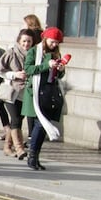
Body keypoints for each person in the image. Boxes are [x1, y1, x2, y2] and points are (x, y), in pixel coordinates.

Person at [21, 27, 67, 170]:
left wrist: (60, 70)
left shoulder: (55, 53)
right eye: (53, 42)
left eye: (57, 43)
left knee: (42, 128)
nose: (55, 45)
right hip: (35, 93)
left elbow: (57, 77)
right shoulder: (34, 51)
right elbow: (28, 69)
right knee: (40, 125)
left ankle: (35, 158)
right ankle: (32, 157)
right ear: (46, 39)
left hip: (49, 94)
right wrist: (46, 65)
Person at [0, 29, 34, 159]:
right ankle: (20, 149)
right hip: (11, 92)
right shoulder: (11, 53)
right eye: (24, 41)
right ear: (18, 41)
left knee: (17, 120)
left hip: (25, 92)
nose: (26, 44)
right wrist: (14, 74)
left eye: (29, 41)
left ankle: (7, 147)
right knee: (16, 119)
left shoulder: (34, 55)